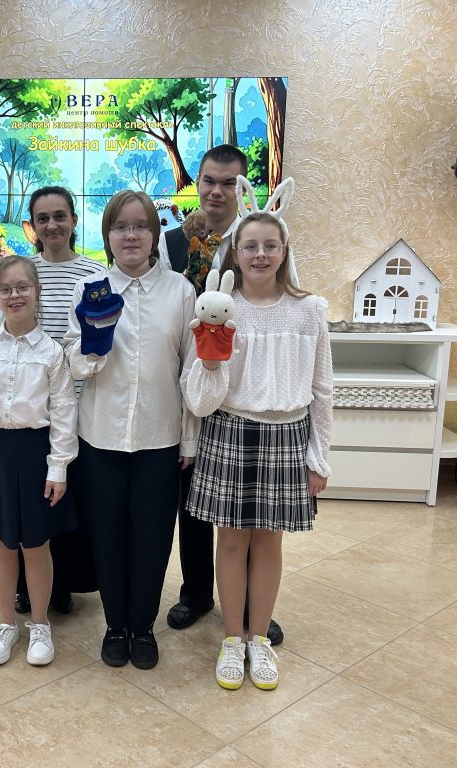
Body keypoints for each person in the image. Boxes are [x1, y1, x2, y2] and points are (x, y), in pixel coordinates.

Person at [182, 189, 333, 690]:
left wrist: (319, 457)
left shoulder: (310, 310)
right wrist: (209, 362)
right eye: (250, 246)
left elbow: (322, 389)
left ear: (284, 251)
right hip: (230, 430)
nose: (261, 254)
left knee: (269, 541)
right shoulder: (221, 311)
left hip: (288, 434)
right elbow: (200, 399)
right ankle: (231, 639)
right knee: (230, 540)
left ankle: (259, 638)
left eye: (271, 245)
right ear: (236, 252)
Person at [63, 190, 196, 670]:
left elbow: (190, 369)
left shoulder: (180, 292)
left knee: (153, 538)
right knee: (106, 536)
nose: (131, 235)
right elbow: (73, 363)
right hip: (100, 436)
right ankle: (115, 625)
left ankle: (142, 626)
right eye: (120, 227)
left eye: (140, 225)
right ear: (108, 236)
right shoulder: (91, 288)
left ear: (155, 233)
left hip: (160, 438)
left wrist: (189, 437)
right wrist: (93, 345)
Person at [159, 144, 284, 646]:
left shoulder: (256, 241)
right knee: (192, 500)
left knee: (249, 510)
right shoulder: (171, 243)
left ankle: (254, 606)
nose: (216, 191)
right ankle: (196, 593)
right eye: (209, 180)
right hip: (187, 386)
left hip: (243, 393)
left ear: (243, 187)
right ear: (198, 182)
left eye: (228, 182)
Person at [0, 255, 78, 666]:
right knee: (2, 544)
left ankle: (39, 624)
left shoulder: (52, 352)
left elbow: (63, 412)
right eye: (5, 289)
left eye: (23, 286)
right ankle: (6, 623)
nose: (15, 295)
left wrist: (58, 467)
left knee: (36, 545)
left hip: (35, 452)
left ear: (36, 291)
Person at [10, 186, 103, 615]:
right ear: (32, 225)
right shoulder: (22, 272)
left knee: (67, 499)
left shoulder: (95, 274)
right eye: (43, 218)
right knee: (32, 502)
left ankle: (62, 584)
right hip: (31, 409)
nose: (52, 225)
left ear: (73, 221)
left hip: (81, 407)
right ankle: (27, 586)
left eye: (60, 216)